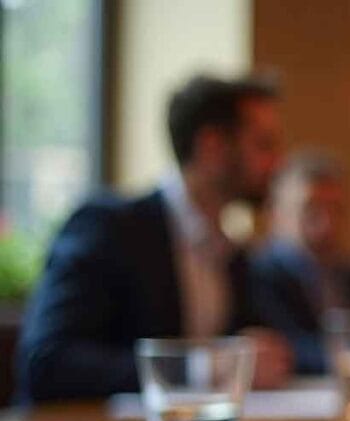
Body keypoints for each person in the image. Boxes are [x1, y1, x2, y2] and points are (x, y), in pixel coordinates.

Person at [16, 74, 295, 402]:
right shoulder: (108, 228)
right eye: (264, 145)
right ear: (212, 146)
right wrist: (204, 367)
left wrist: (262, 357)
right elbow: (46, 363)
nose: (279, 163)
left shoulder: (231, 254)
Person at [250, 152, 350, 374]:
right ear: (275, 213)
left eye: (336, 209)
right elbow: (287, 350)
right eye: (311, 209)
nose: (328, 224)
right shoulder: (256, 275)